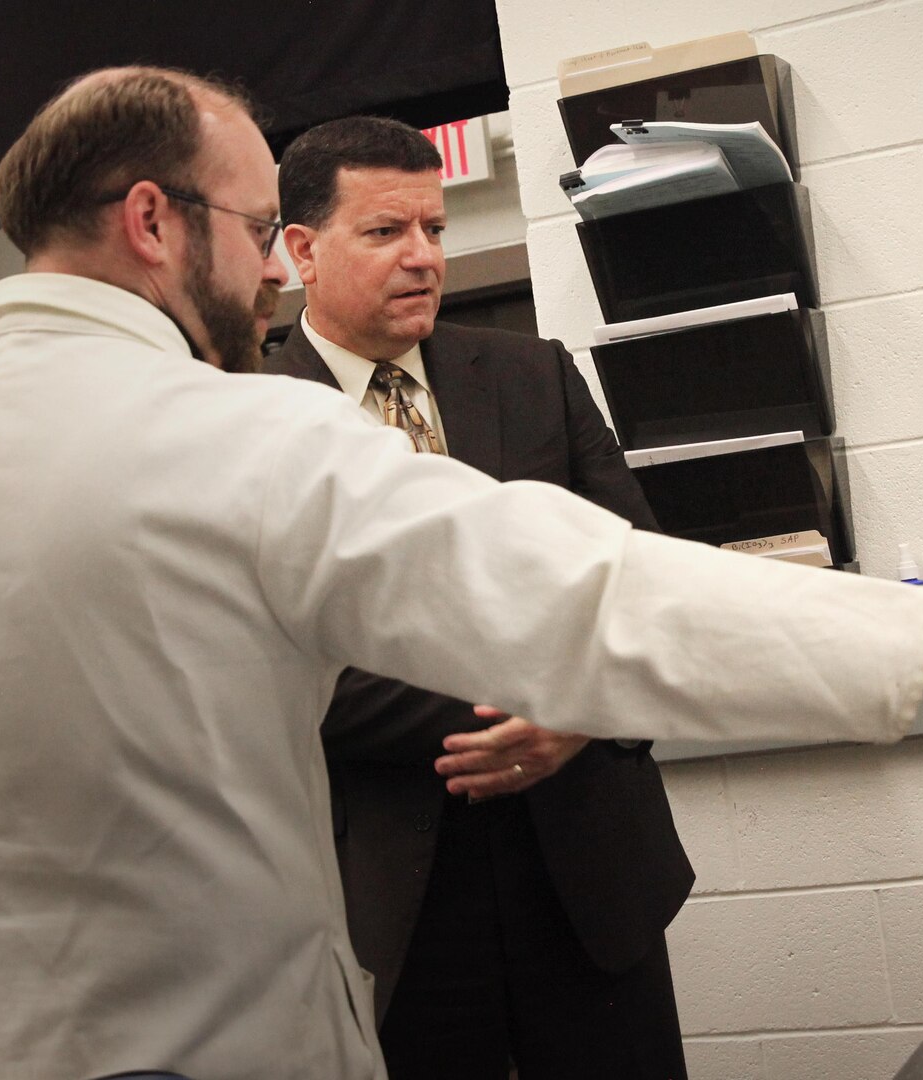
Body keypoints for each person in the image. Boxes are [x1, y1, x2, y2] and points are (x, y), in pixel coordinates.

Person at [0, 66, 923, 1080]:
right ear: (155, 222)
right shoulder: (222, 434)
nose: (269, 273)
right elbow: (567, 589)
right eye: (261, 232)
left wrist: (575, 718)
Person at [263, 116, 693, 1080]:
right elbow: (279, 659)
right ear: (301, 250)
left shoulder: (529, 375)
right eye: (385, 233)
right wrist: (526, 700)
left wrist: (575, 719)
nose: (423, 258)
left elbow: (645, 582)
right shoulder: (245, 415)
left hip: (586, 869)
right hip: (383, 888)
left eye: (435, 230)